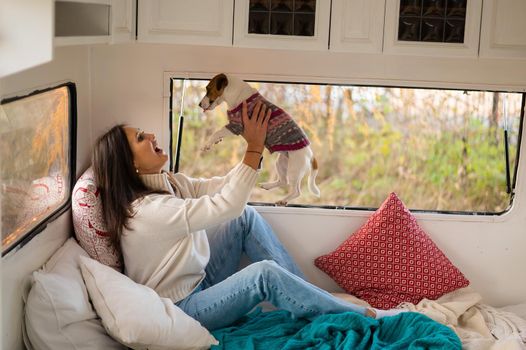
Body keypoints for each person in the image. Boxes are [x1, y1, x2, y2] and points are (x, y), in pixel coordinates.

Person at [92, 101, 404, 331]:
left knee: (245, 219)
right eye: (140, 138)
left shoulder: (169, 183)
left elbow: (222, 189)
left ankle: (316, 297)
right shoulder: (148, 212)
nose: (150, 136)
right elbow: (226, 204)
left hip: (198, 281)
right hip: (182, 308)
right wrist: (253, 149)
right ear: (129, 164)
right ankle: (363, 318)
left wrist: (257, 148)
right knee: (263, 275)